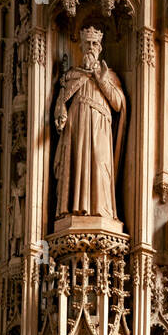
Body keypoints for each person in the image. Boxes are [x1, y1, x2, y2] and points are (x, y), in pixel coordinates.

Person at [54, 26, 126, 222]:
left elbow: (118, 105)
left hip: (100, 128)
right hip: (76, 127)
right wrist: (60, 114)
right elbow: (61, 103)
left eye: (94, 44)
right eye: (87, 44)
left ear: (100, 47)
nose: (91, 48)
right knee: (75, 165)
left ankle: (100, 210)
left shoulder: (108, 75)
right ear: (81, 46)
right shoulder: (71, 75)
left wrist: (102, 81)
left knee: (99, 163)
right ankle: (74, 210)